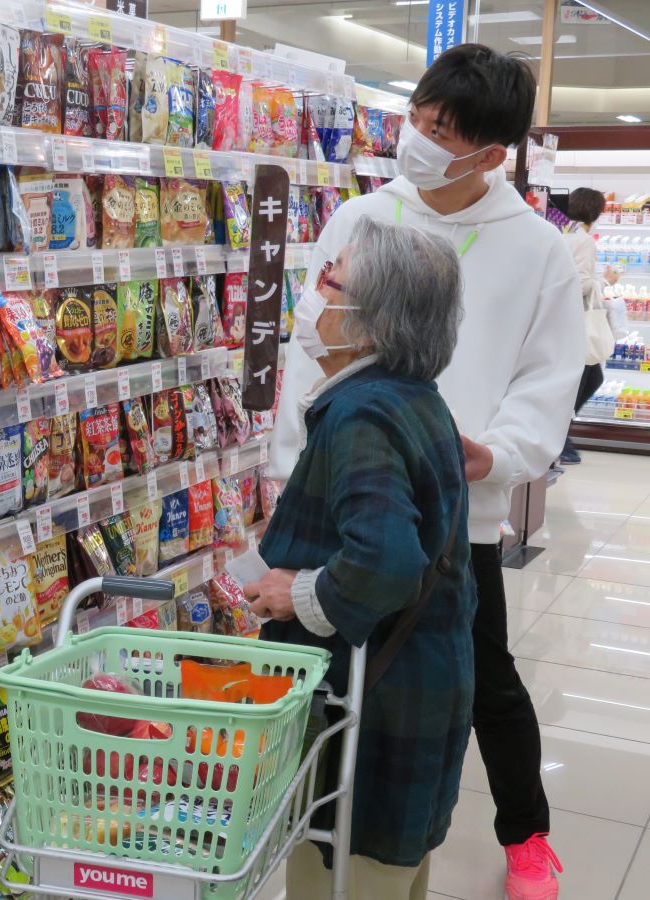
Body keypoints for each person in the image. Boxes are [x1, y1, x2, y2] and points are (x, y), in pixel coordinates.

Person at [266, 44, 581, 899]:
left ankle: (525, 834)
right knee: (335, 678)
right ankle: (341, 829)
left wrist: (497, 453)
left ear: (491, 153)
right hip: (345, 493)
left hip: (456, 508)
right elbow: (307, 346)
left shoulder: (538, 251)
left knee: (478, 680)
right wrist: (290, 477)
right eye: (419, 118)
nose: (418, 139)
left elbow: (548, 379)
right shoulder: (365, 218)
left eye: (443, 131)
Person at [247, 218, 474, 899]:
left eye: (330, 278)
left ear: (372, 323)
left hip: (374, 707)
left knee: (344, 875)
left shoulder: (361, 414)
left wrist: (296, 593)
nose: (312, 292)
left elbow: (386, 562)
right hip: (421, 679)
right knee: (394, 874)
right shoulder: (414, 397)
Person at [559, 187, 618, 465]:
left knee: (586, 378)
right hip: (578, 321)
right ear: (595, 211)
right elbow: (580, 284)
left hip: (563, 319)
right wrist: (606, 280)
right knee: (587, 378)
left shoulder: (563, 232)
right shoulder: (583, 240)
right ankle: (559, 439)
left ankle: (561, 438)